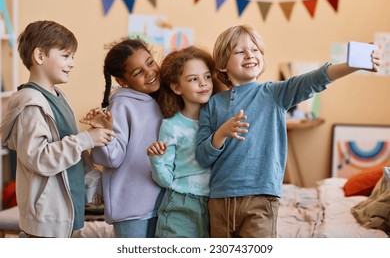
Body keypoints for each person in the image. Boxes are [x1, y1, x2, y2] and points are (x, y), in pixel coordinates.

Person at [195, 24, 383, 238]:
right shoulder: (212, 104)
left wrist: (352, 65)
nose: (250, 55)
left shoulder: (275, 93)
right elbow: (202, 156)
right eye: (239, 51)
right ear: (222, 65)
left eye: (255, 50)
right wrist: (221, 133)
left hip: (262, 198)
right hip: (220, 200)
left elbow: (314, 79)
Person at [0, 20, 114, 238]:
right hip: (47, 217)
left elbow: (75, 153)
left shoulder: (60, 97)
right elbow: (39, 158)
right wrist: (86, 139)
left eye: (73, 57)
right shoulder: (31, 104)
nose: (72, 63)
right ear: (40, 56)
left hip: (67, 211)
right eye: (66, 55)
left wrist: (93, 184)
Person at [79, 38, 164, 238]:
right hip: (130, 206)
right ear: (123, 81)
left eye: (150, 62)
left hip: (159, 201)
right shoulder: (121, 105)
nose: (149, 72)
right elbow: (111, 158)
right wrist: (105, 132)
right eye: (138, 72)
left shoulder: (161, 99)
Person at [146, 46, 215, 238]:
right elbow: (165, 180)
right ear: (177, 87)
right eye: (193, 79)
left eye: (207, 76)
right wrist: (156, 159)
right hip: (181, 204)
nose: (203, 83)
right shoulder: (171, 126)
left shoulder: (220, 121)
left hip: (216, 204)